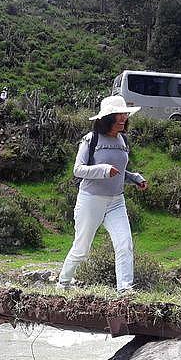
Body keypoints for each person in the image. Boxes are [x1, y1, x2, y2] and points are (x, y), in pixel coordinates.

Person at [58, 95, 148, 292]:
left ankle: (124, 290)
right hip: (91, 200)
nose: (124, 118)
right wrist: (103, 170)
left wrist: (134, 178)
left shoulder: (123, 140)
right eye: (120, 115)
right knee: (82, 249)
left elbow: (119, 172)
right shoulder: (91, 139)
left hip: (117, 200)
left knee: (124, 244)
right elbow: (78, 170)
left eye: (125, 114)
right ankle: (63, 283)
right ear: (108, 118)